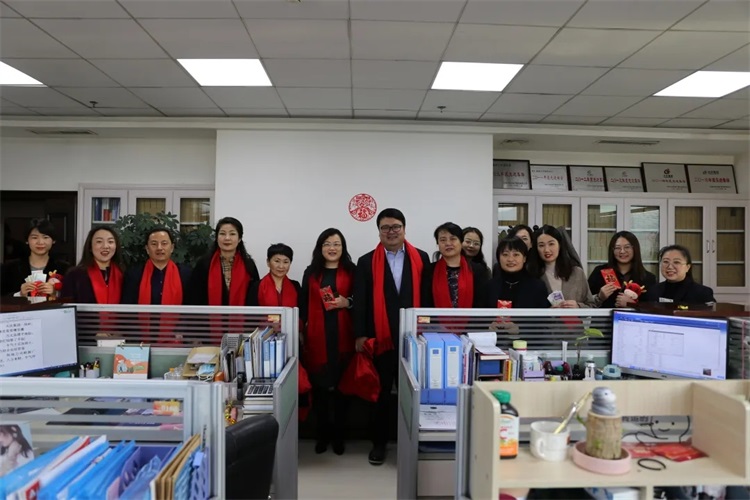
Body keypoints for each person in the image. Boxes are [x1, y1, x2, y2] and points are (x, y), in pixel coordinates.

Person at [353, 208, 430, 466]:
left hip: (413, 338)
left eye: (396, 226)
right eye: (385, 227)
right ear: (378, 231)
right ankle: (379, 442)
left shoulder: (421, 257)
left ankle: (415, 440)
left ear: (404, 229)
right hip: (381, 338)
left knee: (414, 391)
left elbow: (426, 298)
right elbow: (361, 301)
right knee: (381, 393)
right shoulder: (366, 262)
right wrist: (360, 334)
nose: (391, 231)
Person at [299, 228, 355, 456]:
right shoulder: (311, 272)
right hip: (317, 337)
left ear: (343, 247)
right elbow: (303, 303)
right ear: (320, 248)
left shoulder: (352, 271)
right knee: (320, 390)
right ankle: (322, 435)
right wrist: (300, 329)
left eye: (336, 244)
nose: (332, 248)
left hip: (344, 337)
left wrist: (347, 302)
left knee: (343, 390)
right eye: (327, 244)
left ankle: (339, 436)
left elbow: (362, 300)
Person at [186, 217, 260, 306]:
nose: (227, 238)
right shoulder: (204, 264)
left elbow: (255, 298)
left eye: (232, 234)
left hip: (241, 314)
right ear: (216, 238)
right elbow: (194, 297)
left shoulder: (249, 265)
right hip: (208, 314)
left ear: (239, 238)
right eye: (222, 234)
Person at [529, 225, 595, 308]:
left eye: (551, 244)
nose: (546, 250)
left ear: (559, 245)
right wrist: (548, 312)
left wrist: (578, 306)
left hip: (574, 317)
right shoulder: (532, 275)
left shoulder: (577, 273)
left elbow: (592, 305)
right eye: (541, 245)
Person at [121, 226, 191, 305]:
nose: (159, 248)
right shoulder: (133, 274)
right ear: (147, 249)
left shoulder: (186, 274)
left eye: (164, 243)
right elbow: (127, 306)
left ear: (172, 248)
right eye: (154, 244)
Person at [424, 222, 487, 308]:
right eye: (443, 240)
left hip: (470, 317)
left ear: (461, 242)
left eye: (453, 239)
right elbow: (426, 304)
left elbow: (482, 304)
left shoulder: (478, 270)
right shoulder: (429, 270)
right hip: (436, 317)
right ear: (438, 244)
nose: (448, 243)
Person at [588, 231, 657, 308]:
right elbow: (585, 303)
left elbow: (652, 308)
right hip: (604, 316)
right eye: (617, 248)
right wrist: (599, 297)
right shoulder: (599, 272)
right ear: (612, 250)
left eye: (627, 247)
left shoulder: (648, 278)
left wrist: (632, 304)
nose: (622, 251)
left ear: (635, 249)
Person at [1, 219, 69, 297]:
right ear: (27, 240)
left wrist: (55, 293)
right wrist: (19, 294)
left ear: (53, 241)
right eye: (34, 237)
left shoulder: (64, 268)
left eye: (45, 237)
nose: (40, 242)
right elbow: (2, 297)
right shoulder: (10, 268)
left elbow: (72, 297)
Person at [61, 225, 123, 303]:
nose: (105, 246)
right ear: (90, 247)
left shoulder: (124, 274)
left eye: (110, 242)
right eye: (99, 241)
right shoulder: (74, 275)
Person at [642, 245, 715, 306]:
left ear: (688, 267)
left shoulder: (702, 293)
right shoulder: (652, 290)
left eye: (676, 262)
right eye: (666, 262)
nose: (670, 267)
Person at [487, 236, 549, 308]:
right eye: (505, 254)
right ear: (498, 258)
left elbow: (543, 314)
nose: (510, 259)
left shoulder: (538, 287)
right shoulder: (489, 287)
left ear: (524, 258)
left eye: (516, 254)